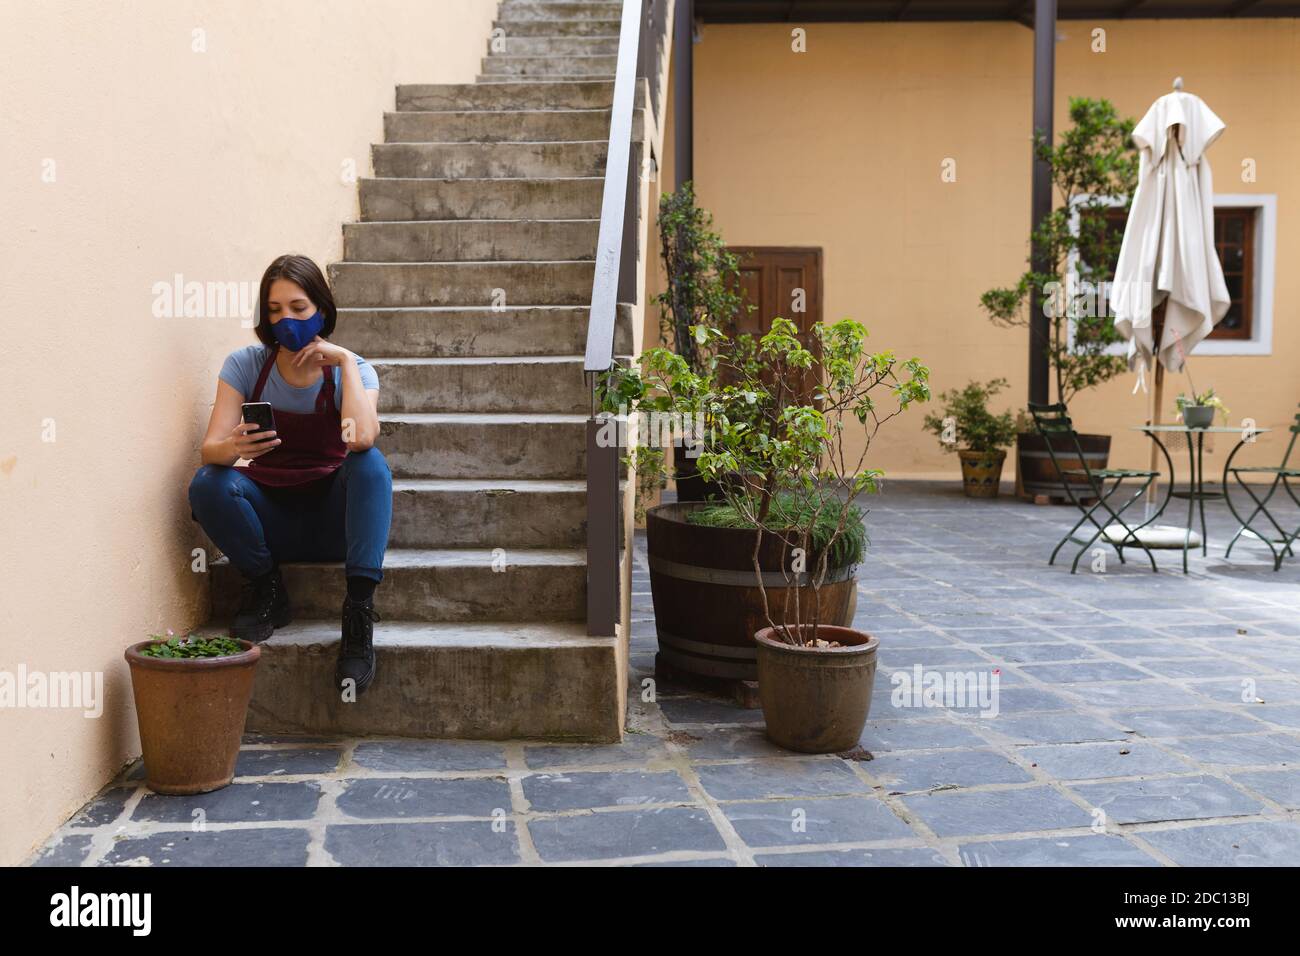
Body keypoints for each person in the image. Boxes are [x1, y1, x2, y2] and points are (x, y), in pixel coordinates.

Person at [188, 253, 391, 697]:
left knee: (370, 465)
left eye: (298, 308)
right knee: (209, 482)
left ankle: (358, 614)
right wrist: (235, 448)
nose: (286, 320)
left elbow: (362, 438)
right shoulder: (244, 364)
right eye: (275, 309)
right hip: (270, 518)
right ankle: (266, 590)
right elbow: (210, 449)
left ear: (321, 307)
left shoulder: (353, 368)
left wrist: (340, 366)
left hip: (334, 522)